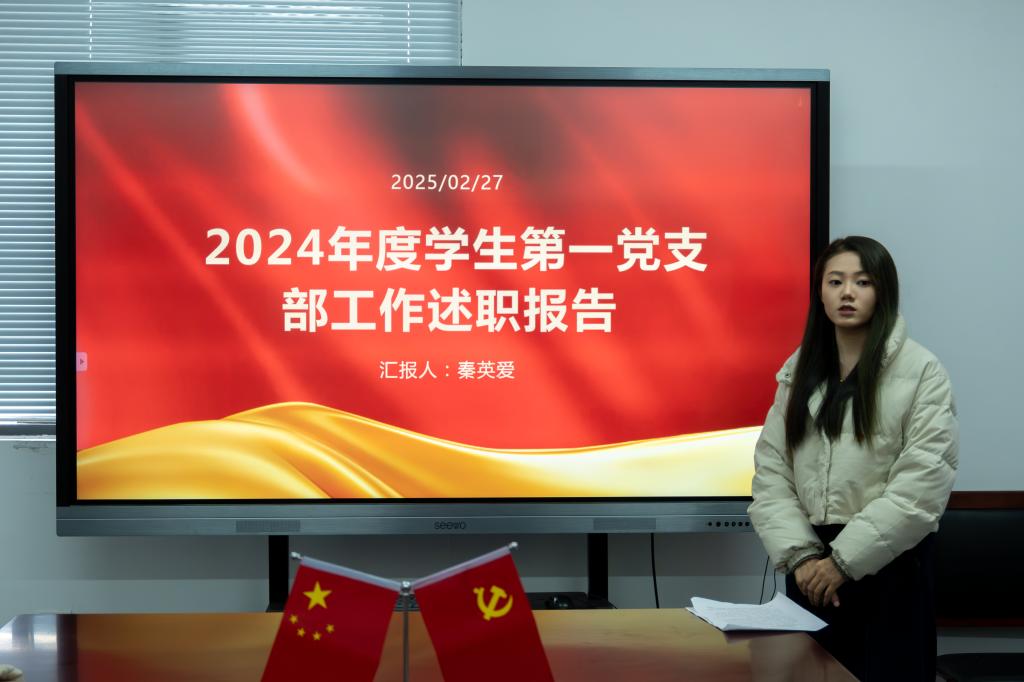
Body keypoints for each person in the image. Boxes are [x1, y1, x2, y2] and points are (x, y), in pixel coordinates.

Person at [748, 236, 958, 681]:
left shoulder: (922, 371)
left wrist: (843, 563)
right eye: (835, 281)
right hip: (810, 571)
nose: (847, 293)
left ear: (883, 292)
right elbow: (771, 472)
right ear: (820, 292)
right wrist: (803, 558)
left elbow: (921, 487)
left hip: (890, 567)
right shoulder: (798, 371)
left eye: (862, 282)